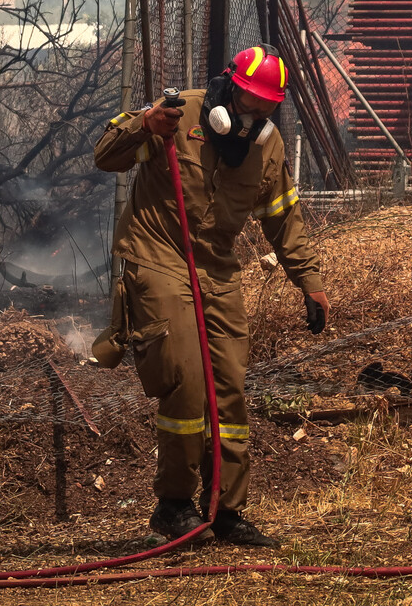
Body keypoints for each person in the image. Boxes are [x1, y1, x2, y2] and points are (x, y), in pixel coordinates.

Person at [92, 45, 329, 548]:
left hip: (217, 270)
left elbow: (283, 217)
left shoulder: (267, 145)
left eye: (266, 108)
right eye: (248, 101)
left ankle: (225, 510)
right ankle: (173, 505)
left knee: (229, 390)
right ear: (228, 86)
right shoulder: (176, 115)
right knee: (185, 381)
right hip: (159, 255)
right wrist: (145, 126)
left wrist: (308, 281)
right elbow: (105, 156)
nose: (253, 115)